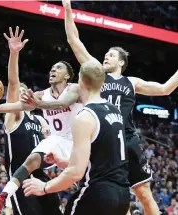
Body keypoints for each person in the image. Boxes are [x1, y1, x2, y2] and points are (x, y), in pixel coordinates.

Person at [20, 1, 178, 214]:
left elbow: (166, 88)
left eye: (112, 55)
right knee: (101, 189)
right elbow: (73, 40)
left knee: (144, 194)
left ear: (121, 62)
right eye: (106, 54)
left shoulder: (131, 82)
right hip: (102, 136)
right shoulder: (96, 74)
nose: (106, 56)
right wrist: (67, 9)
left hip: (125, 138)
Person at [22, 60, 130, 215]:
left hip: (97, 195)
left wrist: (44, 187)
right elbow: (101, 160)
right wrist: (64, 162)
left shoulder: (85, 117)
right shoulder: (115, 112)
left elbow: (76, 173)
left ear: (81, 81)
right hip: (123, 196)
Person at [0, 27, 62, 215]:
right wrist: (14, 53)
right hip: (19, 180)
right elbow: (14, 83)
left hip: (41, 177)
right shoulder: (14, 116)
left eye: (26, 92)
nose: (23, 95)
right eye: (19, 94)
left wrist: (53, 160)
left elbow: (51, 152)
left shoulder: (42, 121)